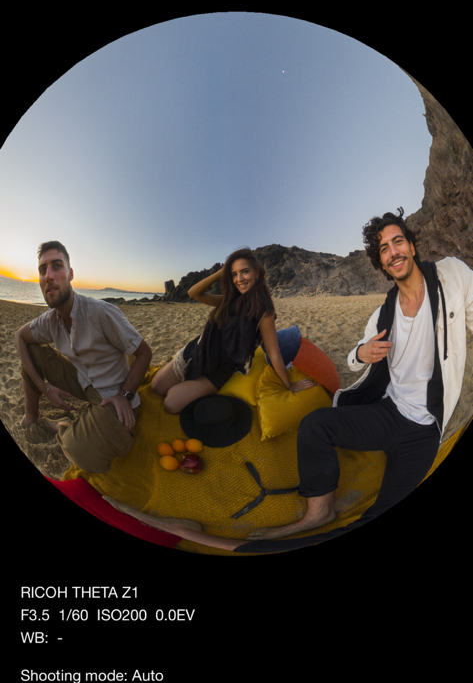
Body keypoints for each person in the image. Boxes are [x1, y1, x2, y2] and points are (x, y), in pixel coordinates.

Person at [104, 208, 473, 552]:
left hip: (424, 426)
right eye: (384, 248)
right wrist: (361, 353)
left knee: (376, 514)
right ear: (379, 261)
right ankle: (318, 512)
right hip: (382, 410)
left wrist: (288, 384)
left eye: (398, 241)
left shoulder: (451, 277)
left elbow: (275, 354)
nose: (393, 252)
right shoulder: (383, 313)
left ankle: (289, 533)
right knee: (312, 424)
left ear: (411, 245)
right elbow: (355, 355)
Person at [16, 242, 152, 474]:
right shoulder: (50, 320)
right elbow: (20, 336)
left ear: (70, 274)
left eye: (56, 266)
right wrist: (44, 388)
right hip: (83, 382)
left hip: (113, 396)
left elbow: (144, 353)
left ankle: (63, 426)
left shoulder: (100, 312)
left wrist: (125, 395)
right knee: (32, 354)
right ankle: (31, 417)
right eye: (42, 270)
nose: (48, 276)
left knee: (82, 454)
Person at [151, 247, 315, 413]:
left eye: (245, 272)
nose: (239, 279)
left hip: (218, 370)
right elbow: (193, 293)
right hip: (197, 351)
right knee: (156, 387)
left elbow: (274, 353)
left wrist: (289, 385)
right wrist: (221, 272)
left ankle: (192, 384)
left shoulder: (264, 311)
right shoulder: (229, 300)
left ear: (256, 272)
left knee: (171, 404)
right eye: (234, 274)